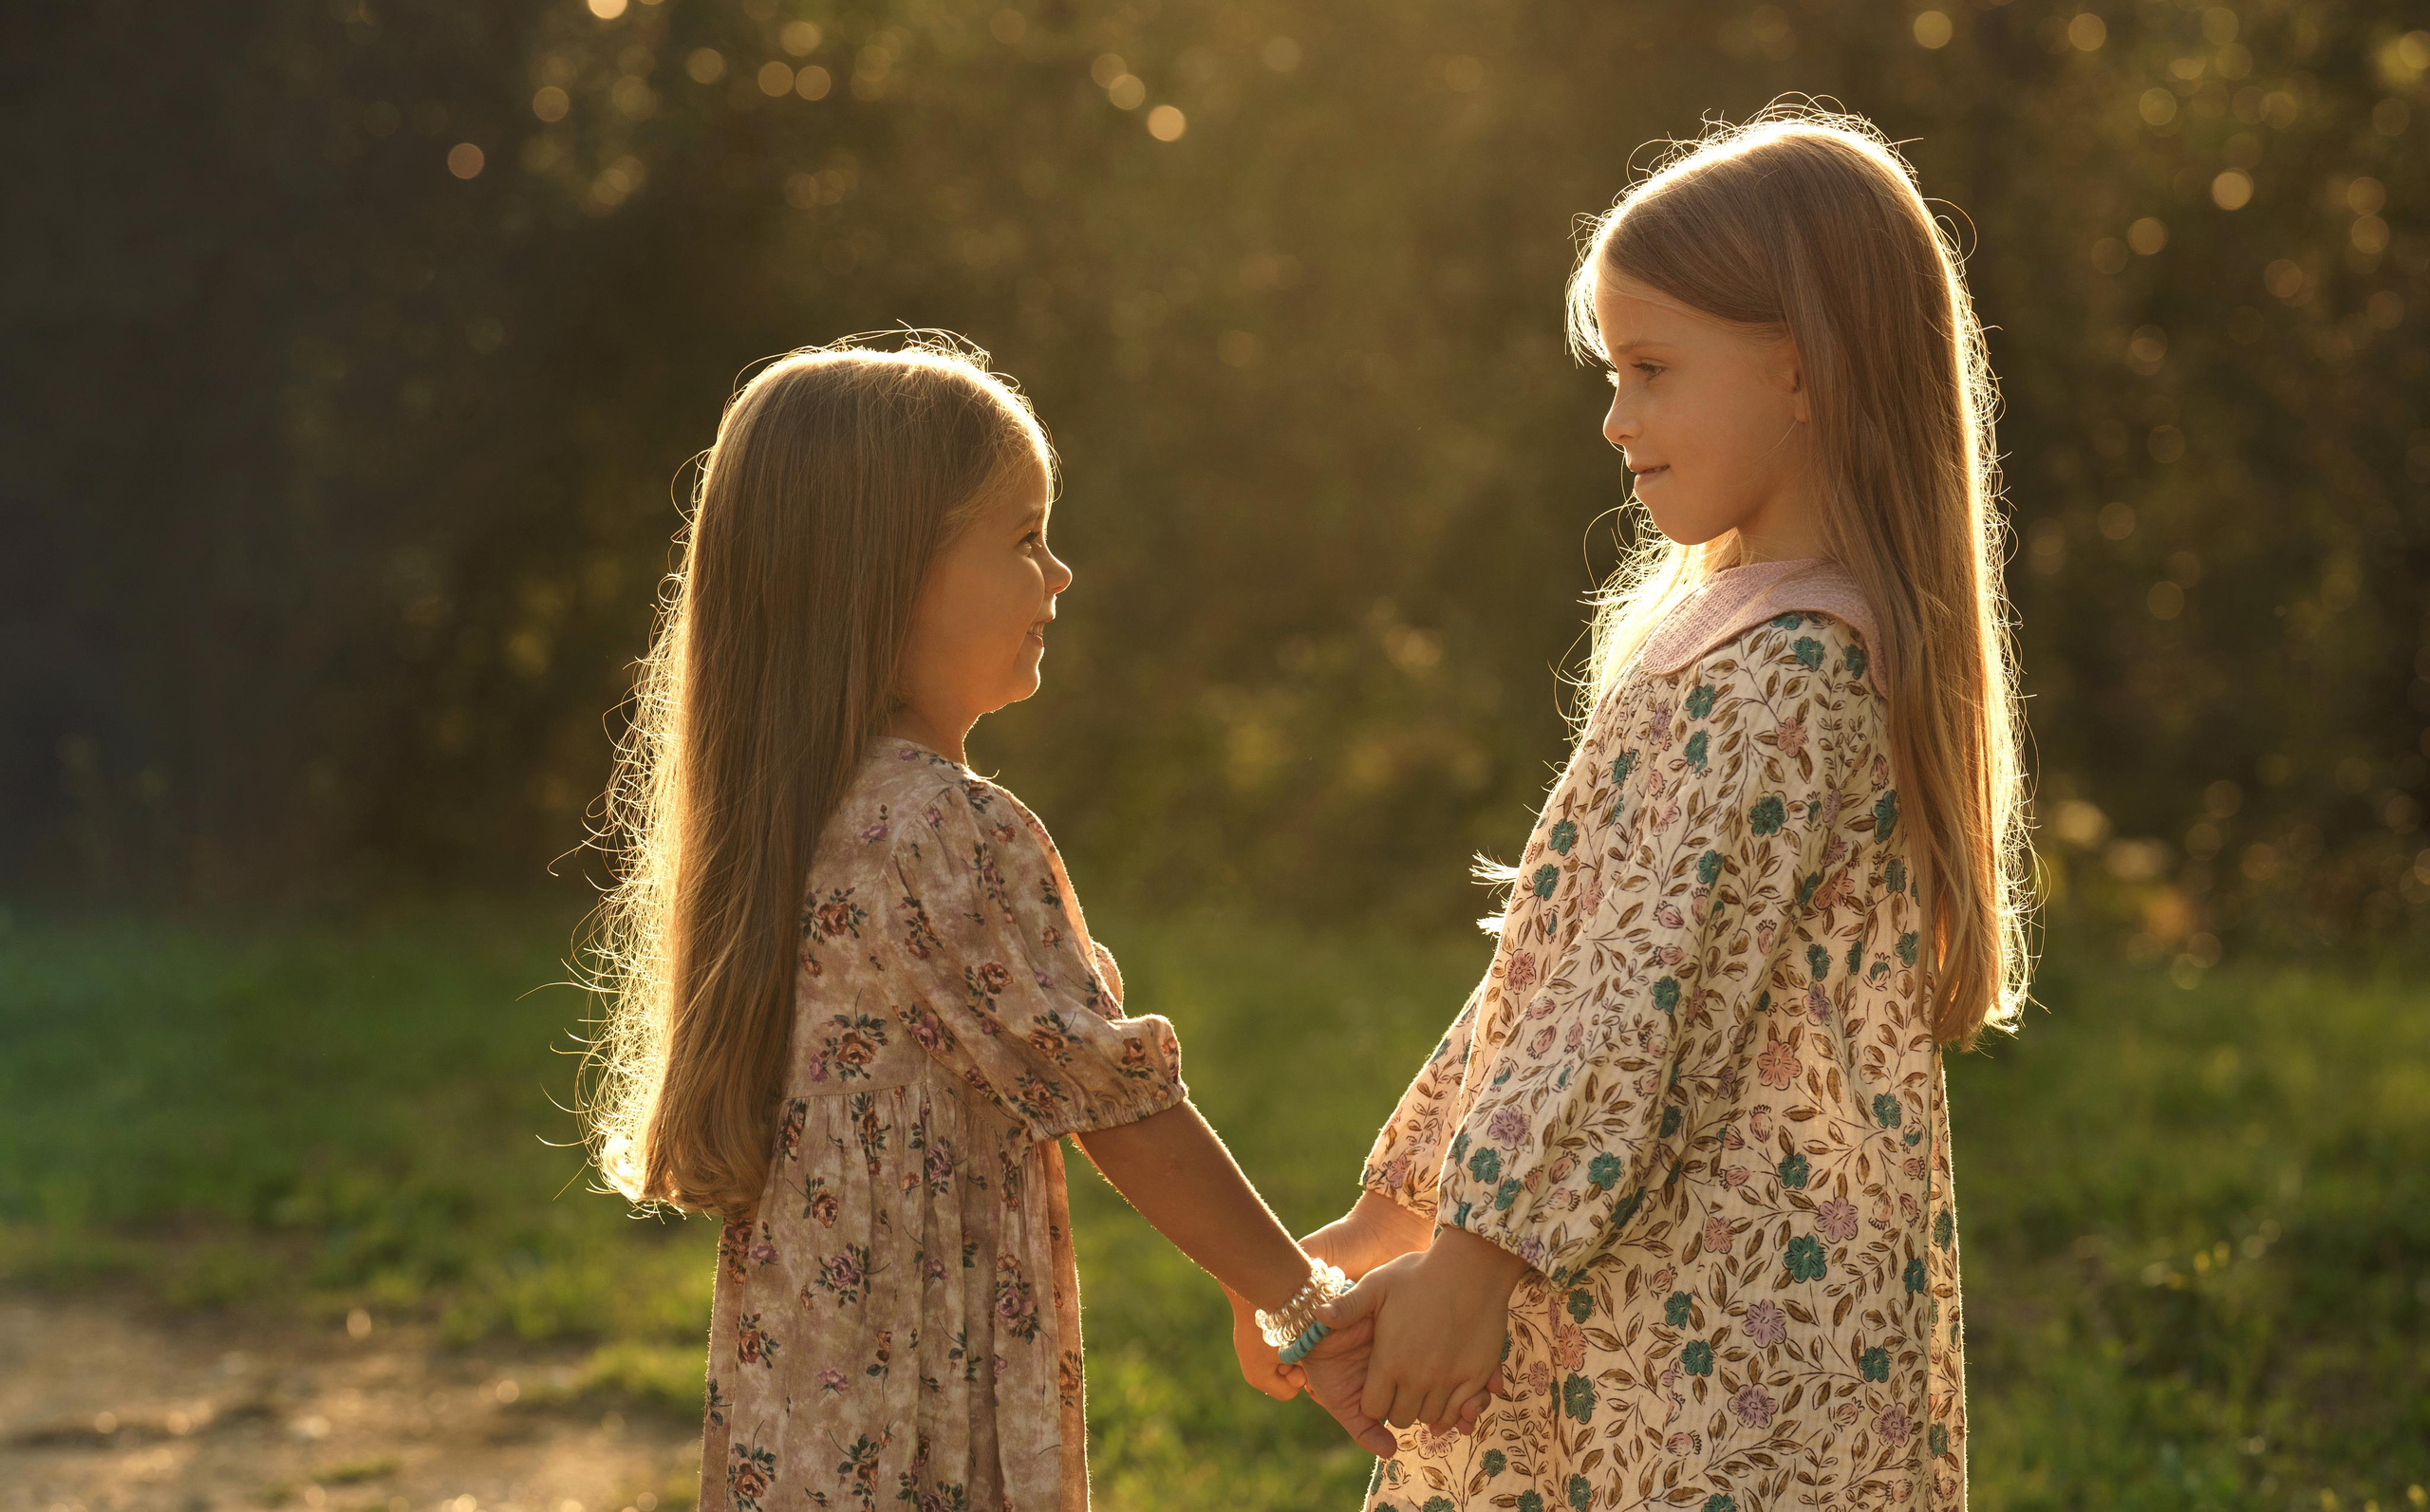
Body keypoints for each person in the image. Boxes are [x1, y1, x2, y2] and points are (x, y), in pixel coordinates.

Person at [1286, 105, 2035, 1511]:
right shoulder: (1730, 638)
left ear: (1799, 368)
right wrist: (1400, 1210)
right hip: (1634, 1289)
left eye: (1651, 367)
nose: (1616, 417)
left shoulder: (1795, 670)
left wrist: (1475, 1256)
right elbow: (1556, 971)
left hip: (1716, 1333)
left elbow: (1640, 994)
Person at [579, 337, 1392, 1512]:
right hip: (923, 1376)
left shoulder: (799, 813)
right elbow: (1114, 1102)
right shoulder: (942, 830)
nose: (1059, 576)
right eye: (1022, 540)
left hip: (810, 1391)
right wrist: (1293, 1296)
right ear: (881, 575)